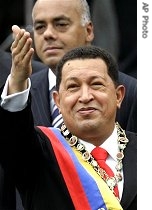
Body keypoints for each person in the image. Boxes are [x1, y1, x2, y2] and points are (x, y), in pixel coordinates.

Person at [0, 28, 137, 210]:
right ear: (57, 100)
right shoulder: (39, 155)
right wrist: (17, 81)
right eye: (73, 87)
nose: (85, 96)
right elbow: (14, 136)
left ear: (119, 95)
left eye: (96, 84)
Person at [28, 0, 137, 132]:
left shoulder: (134, 93)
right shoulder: (22, 93)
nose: (48, 34)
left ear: (88, 30)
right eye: (40, 27)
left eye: (61, 24)